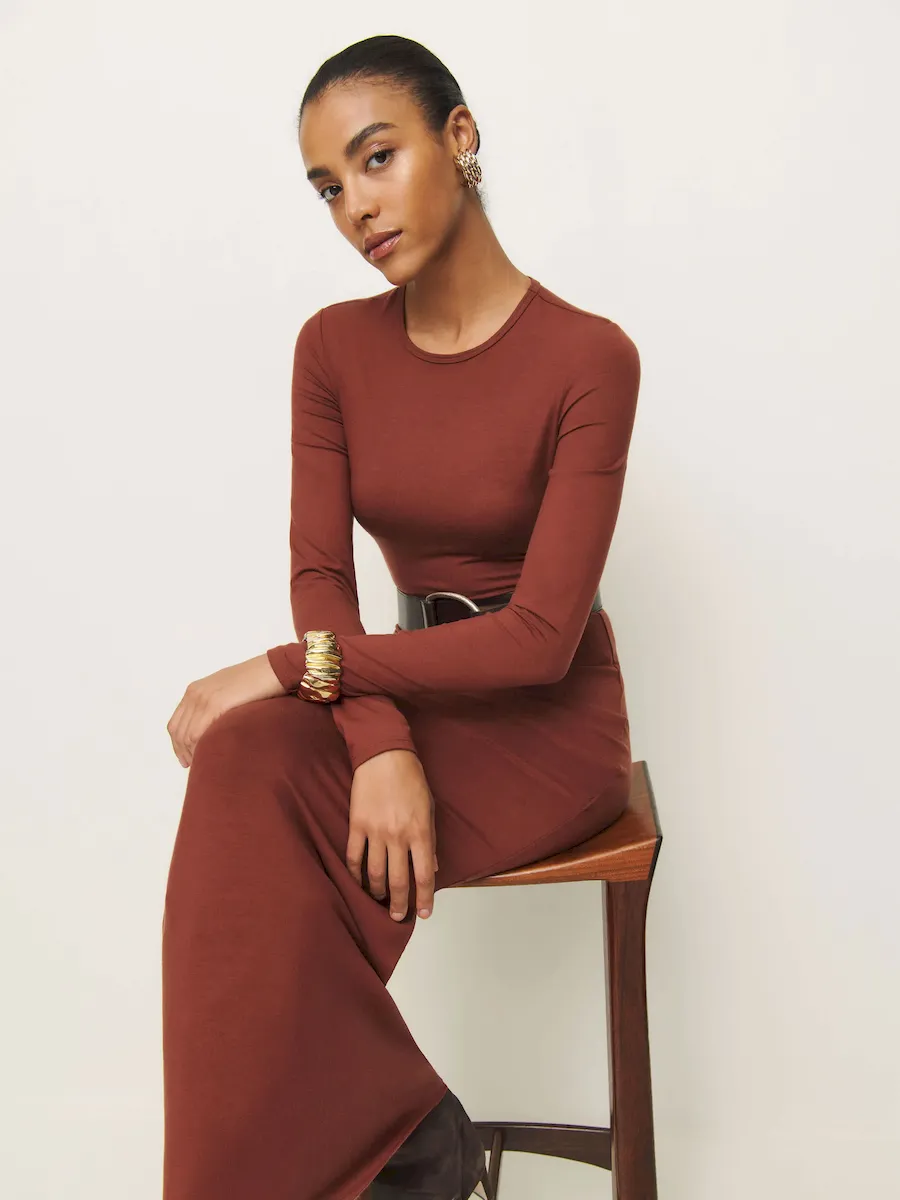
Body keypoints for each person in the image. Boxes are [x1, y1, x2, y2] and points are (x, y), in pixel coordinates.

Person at [160, 33, 641, 1200]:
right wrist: (377, 744)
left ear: (459, 137)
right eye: (329, 187)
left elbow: (541, 639)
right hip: (401, 689)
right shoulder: (332, 349)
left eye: (377, 158)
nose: (357, 208)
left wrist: (293, 668)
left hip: (544, 726)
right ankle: (412, 1140)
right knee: (240, 764)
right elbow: (321, 572)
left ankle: (395, 1148)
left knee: (262, 776)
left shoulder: (590, 357)